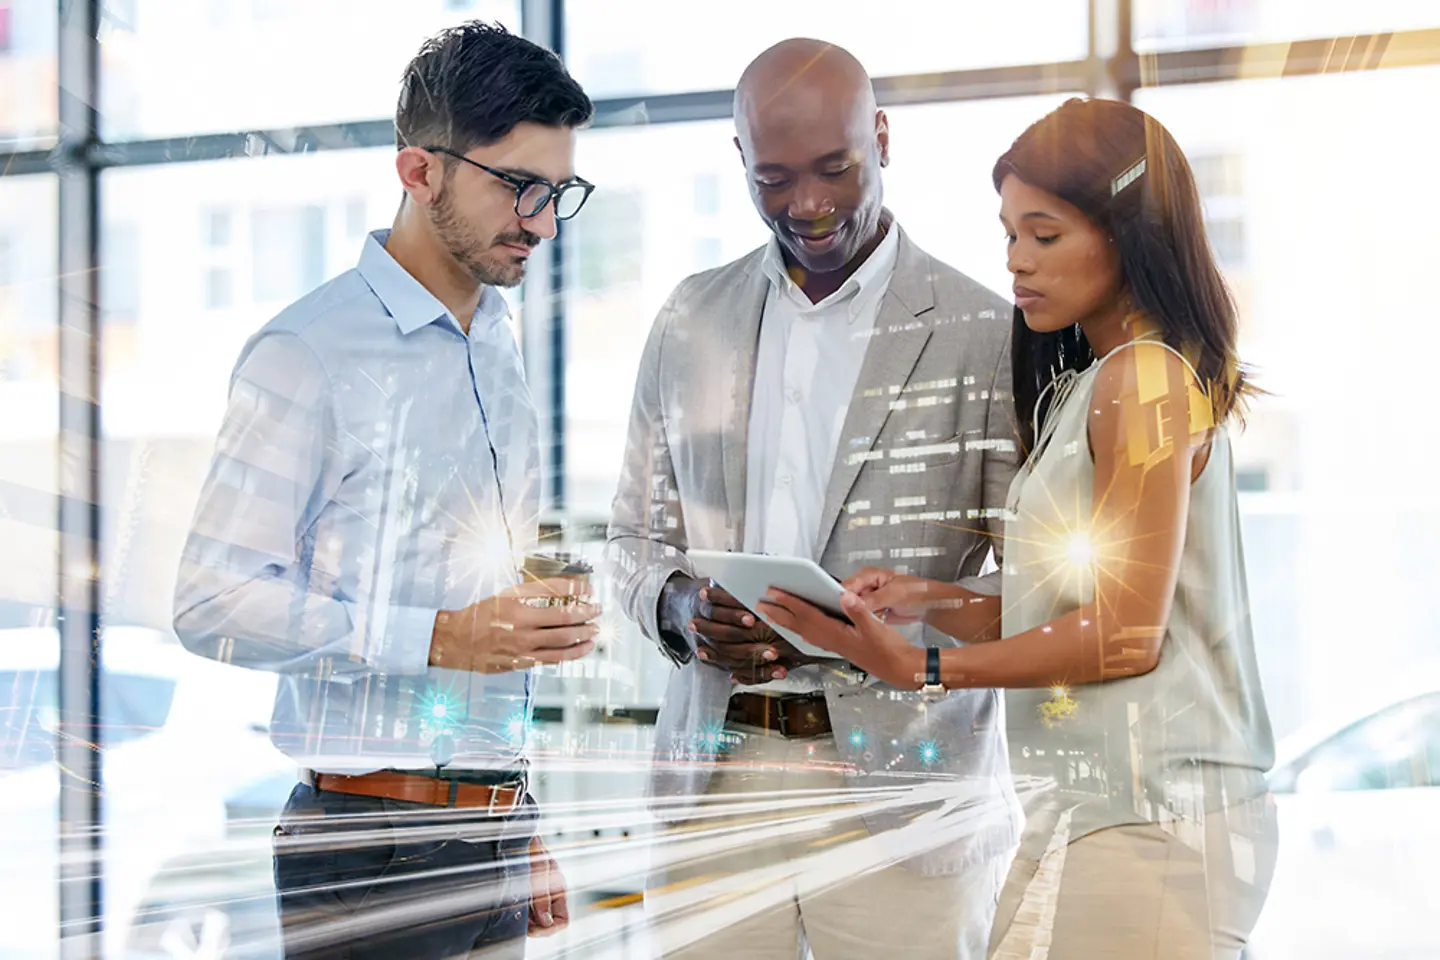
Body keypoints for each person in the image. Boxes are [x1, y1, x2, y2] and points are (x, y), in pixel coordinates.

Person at [758, 97, 1278, 959]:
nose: (1014, 262)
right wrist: (938, 600)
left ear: (1128, 235)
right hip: (1096, 809)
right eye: (1008, 235)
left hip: (1154, 812)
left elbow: (1125, 634)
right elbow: (1070, 609)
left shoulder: (1145, 381)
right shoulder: (1092, 382)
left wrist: (925, 666)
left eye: (1044, 235)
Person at [173, 22, 599, 960]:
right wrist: (444, 636)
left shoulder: (499, 341)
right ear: (419, 170)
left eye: (557, 192)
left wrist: (516, 824)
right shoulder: (306, 356)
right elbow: (211, 604)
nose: (540, 221)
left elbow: (485, 628)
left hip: (484, 841)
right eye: (518, 187)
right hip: (368, 849)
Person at [607, 37, 1021, 960]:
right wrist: (678, 606)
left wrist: (906, 628)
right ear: (742, 166)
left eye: (836, 168)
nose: (809, 205)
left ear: (881, 136)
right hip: (715, 784)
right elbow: (632, 539)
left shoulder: (986, 334)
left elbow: (1037, 590)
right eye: (775, 179)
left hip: (907, 794)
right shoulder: (688, 319)